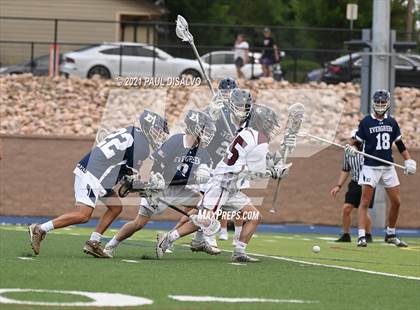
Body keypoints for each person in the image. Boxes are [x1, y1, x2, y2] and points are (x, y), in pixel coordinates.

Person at [156, 105, 295, 262]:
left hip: (230, 185)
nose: (271, 126)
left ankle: (239, 252)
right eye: (269, 123)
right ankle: (167, 239)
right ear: (262, 122)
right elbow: (258, 171)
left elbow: (266, 160)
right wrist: (275, 172)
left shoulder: (247, 133)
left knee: (254, 216)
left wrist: (284, 149)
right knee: (205, 221)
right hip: (222, 184)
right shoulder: (258, 138)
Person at [28, 110, 169, 257]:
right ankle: (40, 229)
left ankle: (93, 242)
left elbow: (125, 171)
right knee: (83, 215)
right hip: (94, 174)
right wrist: (148, 188)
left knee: (115, 207)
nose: (159, 135)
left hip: (100, 174)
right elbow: (130, 180)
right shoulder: (142, 145)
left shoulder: (130, 131)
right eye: (158, 130)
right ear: (149, 127)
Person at [103, 110, 218, 257]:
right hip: (160, 188)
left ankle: (197, 240)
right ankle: (111, 245)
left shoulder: (203, 152)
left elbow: (207, 169)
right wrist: (151, 181)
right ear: (195, 127)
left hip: (179, 189)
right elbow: (153, 162)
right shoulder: (176, 141)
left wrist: (204, 173)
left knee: (206, 206)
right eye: (205, 130)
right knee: (138, 224)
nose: (208, 135)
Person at [344, 89, 416, 247]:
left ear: (388, 104)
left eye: (383, 103)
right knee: (364, 201)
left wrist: (409, 160)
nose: (381, 105)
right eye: (378, 103)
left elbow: (400, 144)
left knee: (397, 202)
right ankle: (362, 236)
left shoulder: (392, 122)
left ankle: (390, 234)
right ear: (373, 103)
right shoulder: (366, 122)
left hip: (388, 167)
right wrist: (353, 149)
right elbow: (357, 142)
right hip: (371, 166)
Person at [330, 130, 374, 243]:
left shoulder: (369, 150)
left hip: (368, 182)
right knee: (346, 208)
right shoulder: (348, 151)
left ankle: (367, 234)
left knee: (363, 209)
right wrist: (338, 186)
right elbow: (345, 169)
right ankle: (346, 235)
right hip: (355, 182)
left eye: (352, 138)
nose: (350, 141)